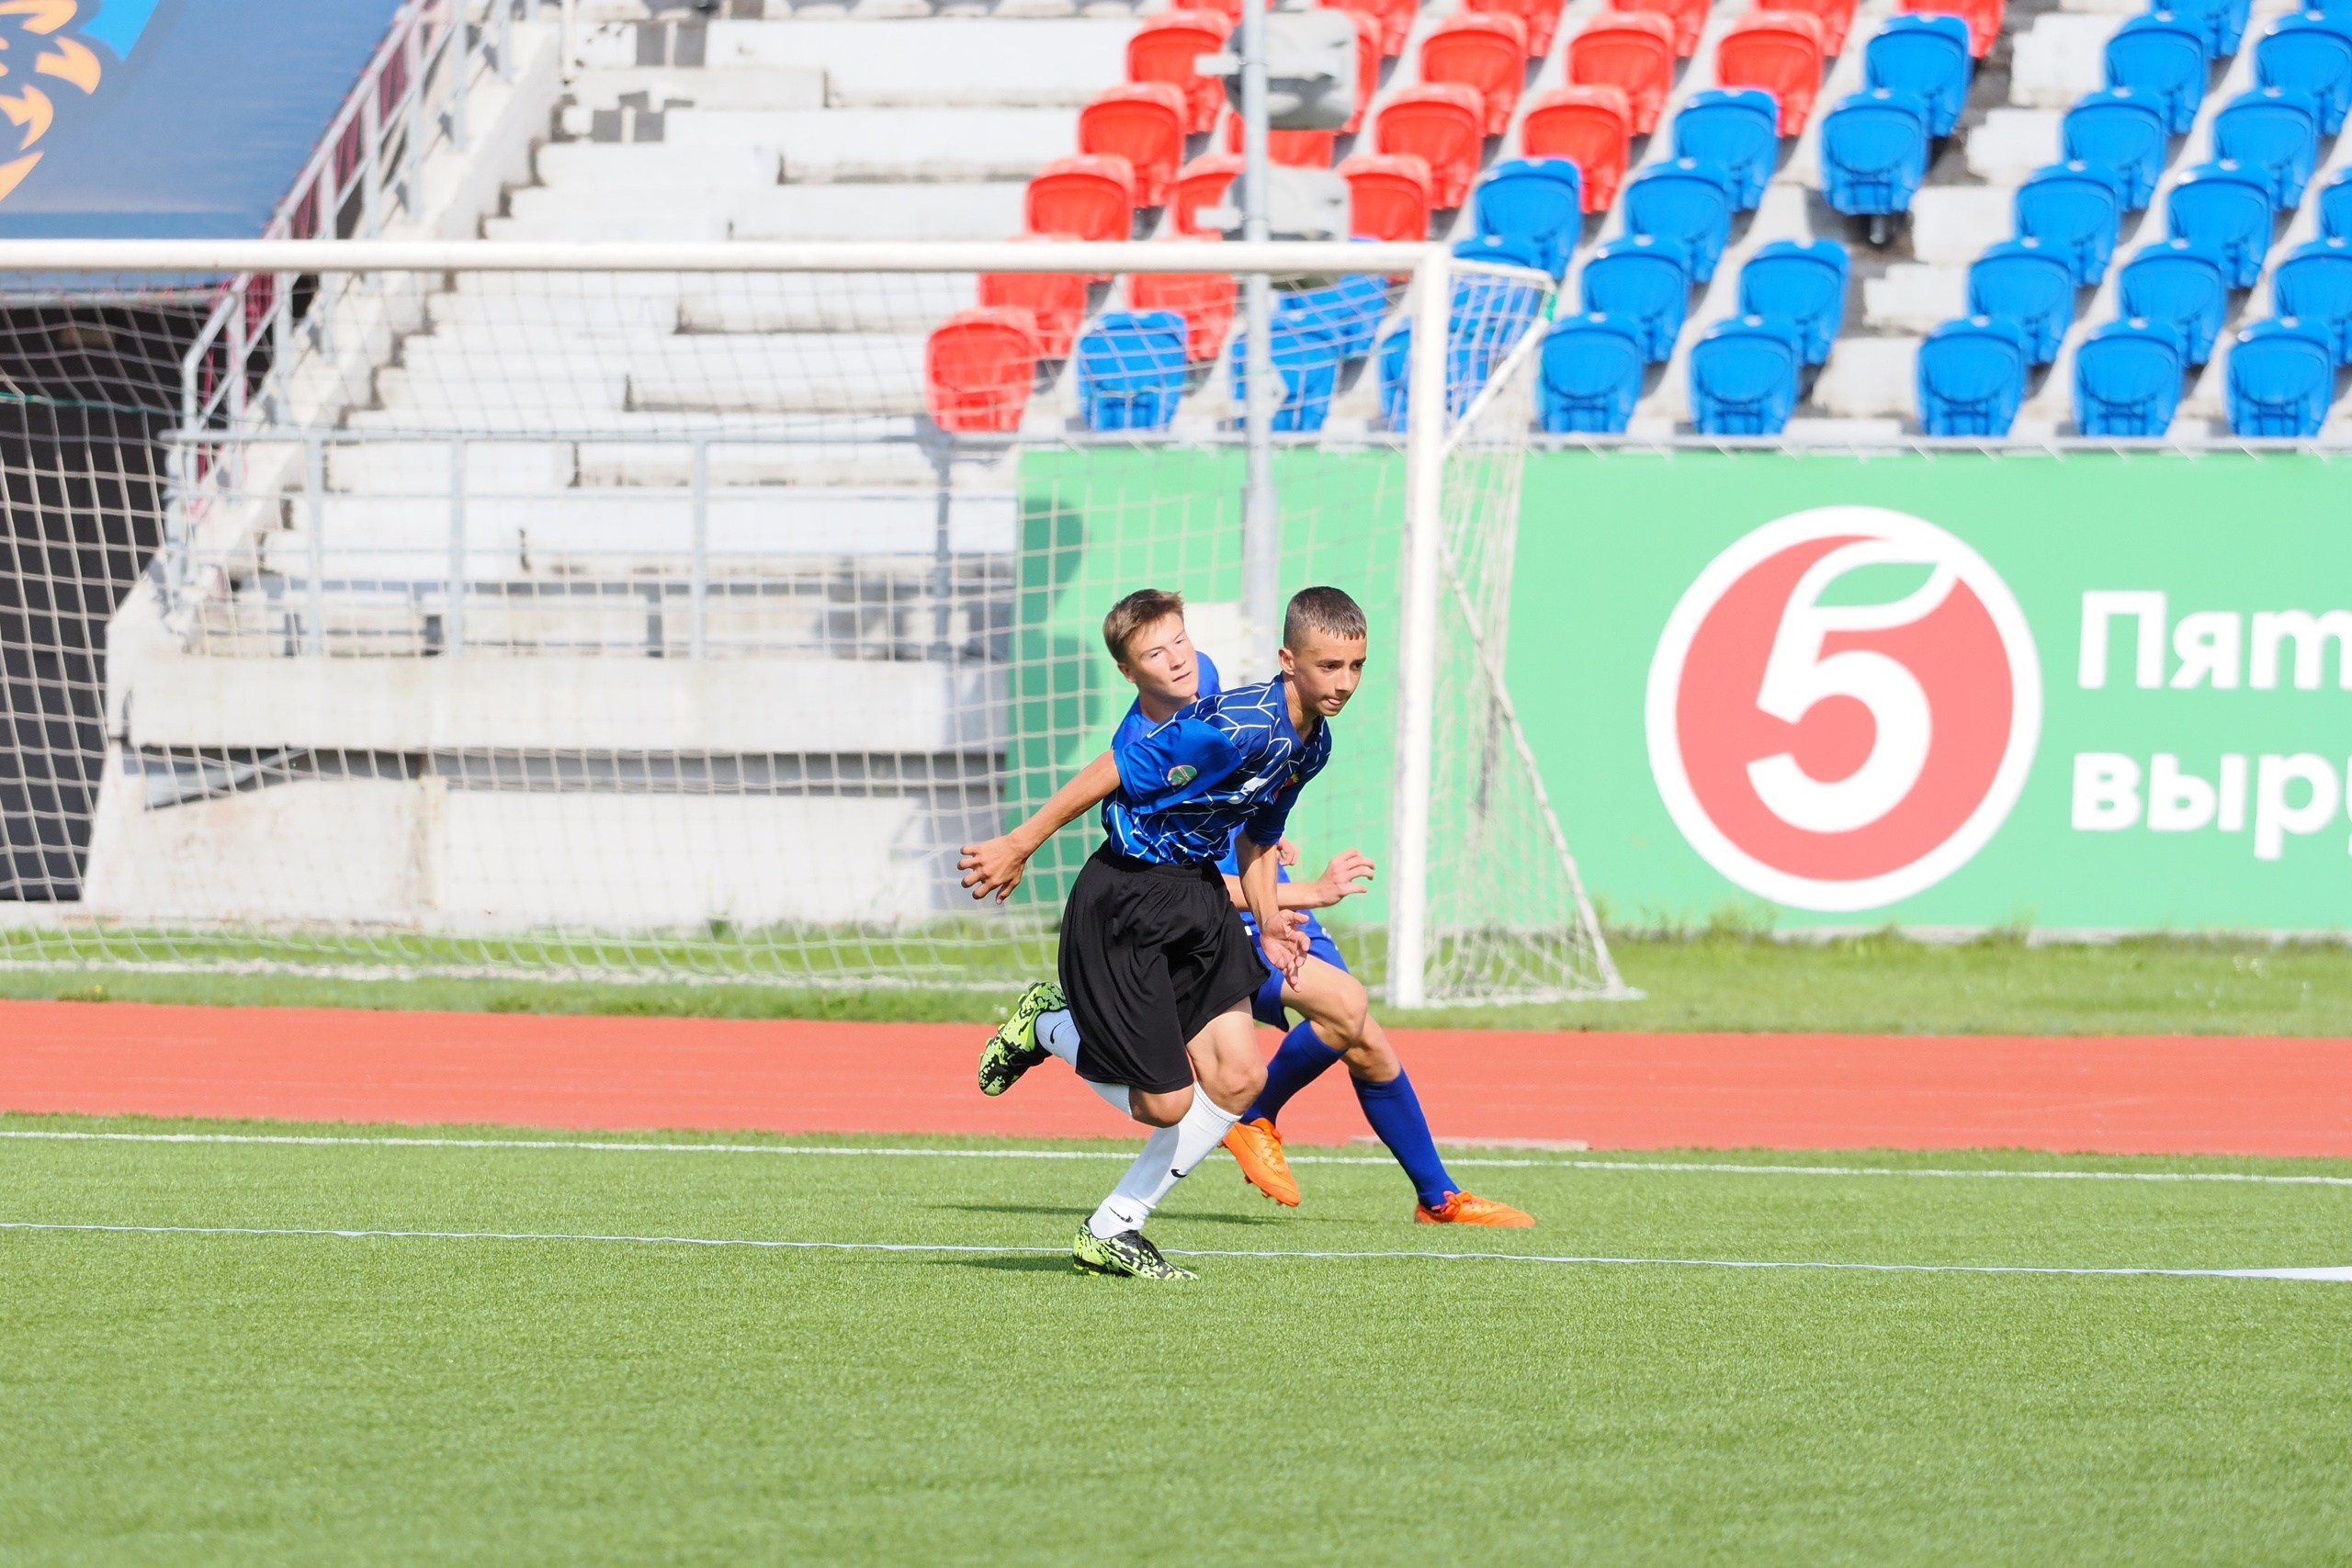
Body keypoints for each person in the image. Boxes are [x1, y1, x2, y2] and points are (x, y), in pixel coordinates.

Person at [959, 586, 1353, 1280]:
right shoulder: (1236, 723)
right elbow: (1113, 769)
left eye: (1355, 666)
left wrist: (1269, 923)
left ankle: (1114, 1226)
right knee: (1165, 1105)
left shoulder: (1311, 742)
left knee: (1239, 1075)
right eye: (1329, 666)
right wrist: (1019, 842)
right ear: (1290, 661)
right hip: (1127, 899)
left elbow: (1261, 836)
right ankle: (1049, 1024)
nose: (1344, 683)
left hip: (1198, 896)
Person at [1102, 630, 1532, 1227]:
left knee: (1365, 1037)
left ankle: (1438, 1197)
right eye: (1156, 653)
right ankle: (1253, 1111)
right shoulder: (1137, 748)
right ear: (1128, 672)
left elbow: (1243, 789)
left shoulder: (1207, 685)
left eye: (1181, 639)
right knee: (1342, 1008)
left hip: (1265, 901)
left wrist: (1262, 829)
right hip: (1214, 920)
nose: (1178, 659)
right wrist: (1309, 890)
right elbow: (1170, 879)